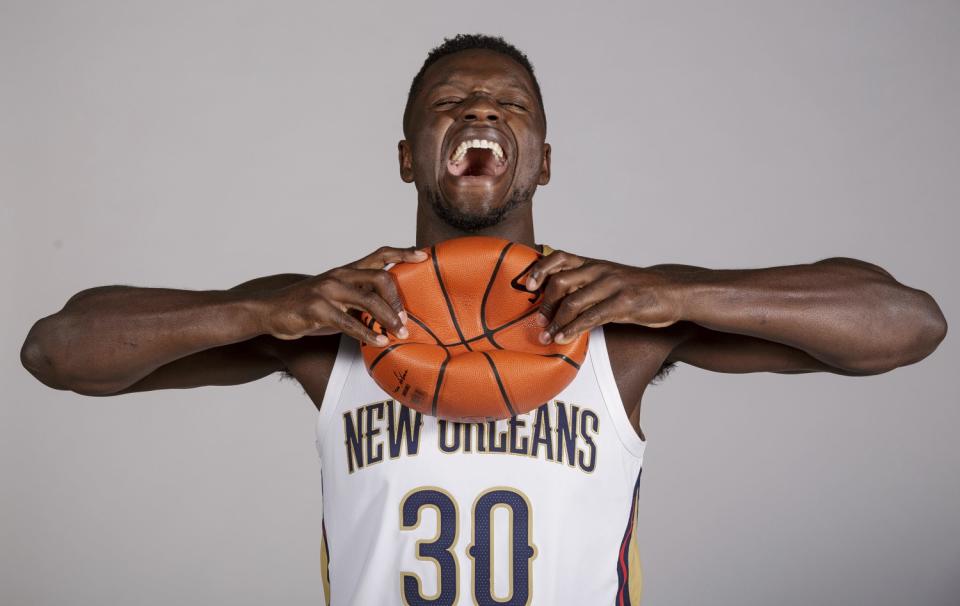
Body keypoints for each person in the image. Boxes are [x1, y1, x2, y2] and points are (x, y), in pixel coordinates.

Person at [20, 33, 947, 606]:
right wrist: (261, 310)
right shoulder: (328, 316)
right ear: (407, 155)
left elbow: (906, 322)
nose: (479, 112)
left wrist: (684, 294)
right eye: (451, 104)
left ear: (541, 159)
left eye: (509, 106)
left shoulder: (624, 317)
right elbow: (58, 349)